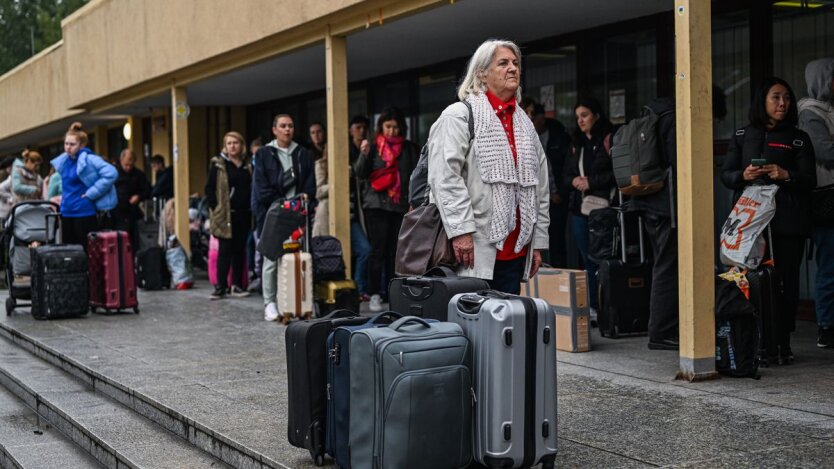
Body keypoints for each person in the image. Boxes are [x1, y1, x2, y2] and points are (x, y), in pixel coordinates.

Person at [426, 39, 550, 294]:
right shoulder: (459, 115)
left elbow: (541, 189)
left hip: (515, 253)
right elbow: (444, 178)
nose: (513, 68)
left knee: (504, 327)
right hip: (471, 253)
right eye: (503, 63)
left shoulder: (525, 125)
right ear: (481, 73)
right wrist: (461, 232)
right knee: (471, 327)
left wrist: (537, 243)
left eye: (516, 63)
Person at [722, 77, 816, 364]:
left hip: (786, 220)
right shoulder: (742, 135)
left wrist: (786, 175)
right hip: (749, 222)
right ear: (762, 101)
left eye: (786, 98)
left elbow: (809, 180)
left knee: (784, 282)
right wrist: (743, 176)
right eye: (776, 97)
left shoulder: (798, 138)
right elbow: (726, 175)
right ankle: (752, 341)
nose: (782, 104)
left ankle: (781, 343)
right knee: (748, 280)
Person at [625, 97, 681, 350]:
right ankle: (661, 331)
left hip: (648, 202)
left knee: (663, 265)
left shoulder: (653, 115)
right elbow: (677, 161)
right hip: (666, 205)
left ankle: (663, 328)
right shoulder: (672, 116)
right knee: (667, 267)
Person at [356, 107, 420, 310]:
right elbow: (360, 173)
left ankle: (393, 294)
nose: (392, 131)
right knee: (378, 250)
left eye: (396, 127)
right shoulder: (374, 147)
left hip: (400, 205)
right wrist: (363, 155)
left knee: (396, 252)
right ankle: (374, 293)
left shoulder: (410, 148)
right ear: (381, 128)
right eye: (388, 127)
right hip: (376, 205)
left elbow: (416, 176)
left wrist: (414, 201)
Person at [253, 114, 315, 321]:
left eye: (290, 125)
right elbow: (261, 188)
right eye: (282, 126)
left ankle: (301, 300)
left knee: (300, 254)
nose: (287, 129)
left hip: (299, 213)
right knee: (271, 257)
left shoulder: (303, 154)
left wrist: (304, 198)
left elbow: (309, 184)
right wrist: (281, 204)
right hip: (274, 213)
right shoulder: (264, 154)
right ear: (274, 130)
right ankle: (270, 302)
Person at [563, 97, 615, 316]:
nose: (580, 121)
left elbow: (617, 173)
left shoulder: (609, 139)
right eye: (577, 117)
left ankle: (607, 307)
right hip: (579, 209)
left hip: (603, 209)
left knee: (603, 258)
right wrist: (574, 181)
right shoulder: (576, 144)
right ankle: (592, 306)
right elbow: (565, 174)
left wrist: (591, 182)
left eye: (584, 115)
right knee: (586, 259)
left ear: (596, 115)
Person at [798, 58, 834, 349]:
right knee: (829, 263)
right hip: (827, 197)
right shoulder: (810, 113)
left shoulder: (828, 111)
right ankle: (826, 326)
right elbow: (826, 151)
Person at [51, 122, 118, 248]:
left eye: (72, 144)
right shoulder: (64, 160)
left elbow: (111, 173)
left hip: (84, 211)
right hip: (66, 211)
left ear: (81, 145)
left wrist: (92, 193)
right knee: (70, 253)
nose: (68, 147)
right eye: (66, 144)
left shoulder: (89, 159)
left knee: (86, 251)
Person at [523, 99, 572, 267]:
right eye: (526, 113)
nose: (528, 118)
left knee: (555, 240)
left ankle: (558, 276)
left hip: (553, 196)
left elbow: (548, 169)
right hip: (527, 200)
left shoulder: (557, 135)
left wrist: (556, 191)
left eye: (532, 114)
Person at [205, 131, 252, 300]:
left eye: (236, 143)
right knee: (224, 250)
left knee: (239, 250)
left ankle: (237, 285)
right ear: (225, 146)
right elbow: (209, 188)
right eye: (229, 143)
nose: (233, 146)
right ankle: (220, 287)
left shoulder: (248, 165)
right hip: (225, 215)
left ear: (242, 145)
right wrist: (215, 208)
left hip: (243, 214)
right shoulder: (219, 165)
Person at [348, 115, 372, 301]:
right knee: (363, 250)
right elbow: (357, 174)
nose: (361, 130)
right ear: (350, 130)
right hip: (346, 211)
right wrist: (362, 155)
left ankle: (359, 288)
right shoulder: (345, 149)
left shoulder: (370, 149)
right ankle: (355, 289)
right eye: (357, 127)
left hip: (363, 209)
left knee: (365, 250)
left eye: (364, 127)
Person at [114, 149, 151, 249]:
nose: (128, 168)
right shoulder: (114, 173)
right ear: (121, 160)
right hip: (116, 212)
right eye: (126, 165)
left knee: (134, 240)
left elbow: (147, 191)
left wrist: (139, 196)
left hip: (132, 212)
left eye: (131, 165)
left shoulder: (139, 175)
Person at [310, 122, 330, 237]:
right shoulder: (309, 155)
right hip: (318, 203)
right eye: (313, 133)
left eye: (319, 132)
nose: (316, 135)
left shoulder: (329, 147)